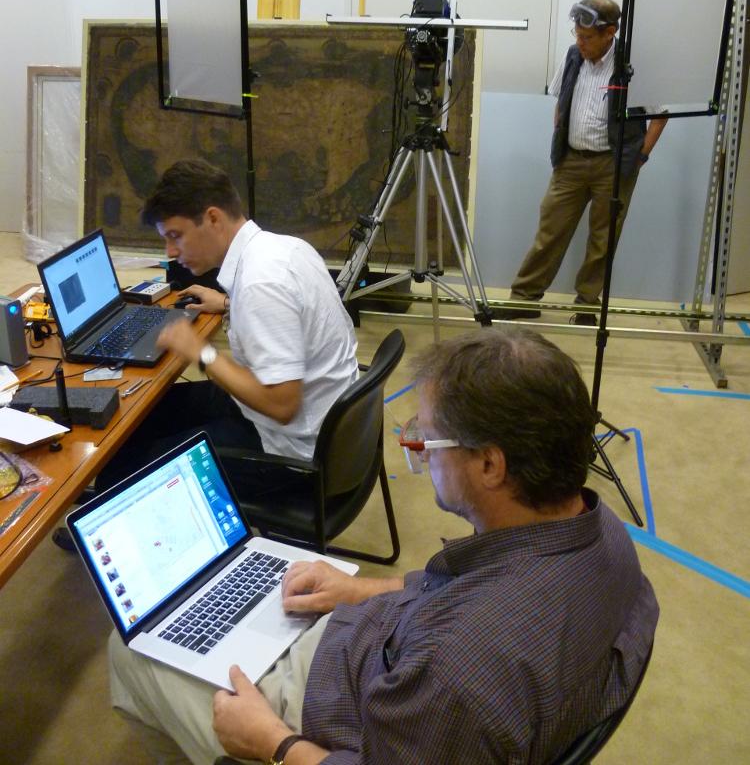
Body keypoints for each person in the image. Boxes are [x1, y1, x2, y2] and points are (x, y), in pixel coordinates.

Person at [109, 327, 659, 765]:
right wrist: (358, 590)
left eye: (428, 435)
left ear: (491, 465)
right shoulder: (598, 528)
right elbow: (468, 588)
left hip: (352, 709)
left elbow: (453, 665)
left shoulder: (458, 671)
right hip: (391, 655)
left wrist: (271, 743)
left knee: (129, 648)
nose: (411, 444)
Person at [96, 159, 359, 493]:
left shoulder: (260, 283)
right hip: (317, 424)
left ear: (213, 218)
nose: (171, 252)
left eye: (176, 236)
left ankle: (109, 524)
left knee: (142, 462)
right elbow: (290, 313)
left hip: (291, 452)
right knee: (146, 413)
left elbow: (282, 406)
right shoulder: (285, 248)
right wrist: (227, 303)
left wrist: (201, 352)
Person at [496, 0, 667, 325]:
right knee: (550, 231)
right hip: (571, 162)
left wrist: (638, 159)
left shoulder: (633, 64)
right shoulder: (574, 55)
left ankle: (587, 306)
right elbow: (561, 99)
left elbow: (660, 116)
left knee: (603, 239)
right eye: (577, 34)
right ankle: (524, 299)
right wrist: (561, 137)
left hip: (613, 166)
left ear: (610, 33)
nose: (580, 42)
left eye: (587, 37)